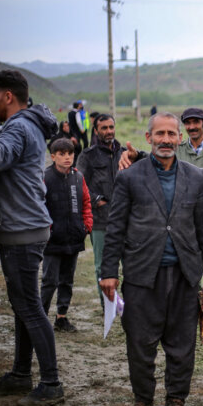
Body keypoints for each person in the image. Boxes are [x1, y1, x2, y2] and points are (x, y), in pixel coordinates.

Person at [100, 112, 203, 406]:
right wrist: (108, 270)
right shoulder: (129, 177)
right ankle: (142, 402)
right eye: (160, 134)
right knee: (140, 343)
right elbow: (115, 227)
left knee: (182, 344)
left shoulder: (196, 177)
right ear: (148, 138)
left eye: (171, 134)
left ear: (179, 138)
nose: (166, 140)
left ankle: (176, 401)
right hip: (142, 275)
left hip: (184, 274)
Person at [0, 70, 65, 406]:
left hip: (21, 229)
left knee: (31, 308)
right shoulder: (24, 126)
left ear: (8, 97)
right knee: (24, 306)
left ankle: (51, 383)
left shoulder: (18, 126)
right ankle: (21, 374)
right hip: (21, 226)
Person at [41, 138, 93, 333]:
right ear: (53, 156)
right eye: (62, 154)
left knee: (67, 281)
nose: (67, 158)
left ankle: (61, 317)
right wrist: (47, 230)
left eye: (70, 154)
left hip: (74, 239)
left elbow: (86, 203)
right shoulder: (45, 178)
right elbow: (39, 207)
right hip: (52, 241)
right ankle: (41, 318)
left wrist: (86, 226)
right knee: (49, 281)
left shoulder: (78, 177)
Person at [77, 114, 126, 310]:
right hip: (101, 220)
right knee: (102, 266)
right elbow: (80, 184)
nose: (108, 131)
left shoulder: (124, 153)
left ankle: (128, 305)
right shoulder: (87, 156)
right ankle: (108, 307)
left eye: (111, 127)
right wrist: (98, 200)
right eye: (104, 128)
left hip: (126, 219)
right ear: (96, 131)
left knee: (130, 265)